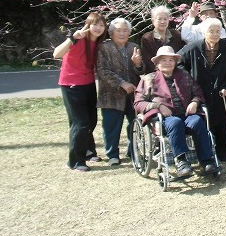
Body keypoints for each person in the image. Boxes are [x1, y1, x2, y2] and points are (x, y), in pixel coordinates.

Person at [134, 46, 217, 177]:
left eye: (171, 60)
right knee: (175, 123)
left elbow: (198, 92)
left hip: (186, 115)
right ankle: (182, 162)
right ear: (157, 63)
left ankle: (206, 161)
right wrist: (158, 105)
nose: (168, 63)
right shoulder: (148, 79)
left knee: (197, 121)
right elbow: (138, 103)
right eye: (163, 60)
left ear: (175, 62)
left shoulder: (184, 75)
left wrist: (195, 102)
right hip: (164, 119)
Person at [53, 12, 107, 172]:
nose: (98, 28)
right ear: (88, 25)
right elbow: (56, 54)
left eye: (102, 25)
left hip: (88, 83)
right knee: (80, 123)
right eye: (95, 24)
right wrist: (71, 38)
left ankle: (89, 152)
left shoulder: (98, 43)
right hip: (71, 85)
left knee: (90, 120)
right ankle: (75, 161)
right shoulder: (78, 38)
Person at [178, 18, 226, 162]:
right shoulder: (193, 47)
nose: (215, 34)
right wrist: (189, 81)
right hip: (200, 90)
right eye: (211, 31)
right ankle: (206, 151)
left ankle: (223, 151)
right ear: (204, 33)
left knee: (222, 122)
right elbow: (178, 63)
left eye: (218, 31)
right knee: (204, 121)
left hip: (222, 91)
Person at [96, 18, 144, 166]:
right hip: (111, 95)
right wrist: (122, 83)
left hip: (132, 95)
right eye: (118, 30)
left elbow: (142, 70)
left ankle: (133, 151)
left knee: (135, 124)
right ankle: (112, 155)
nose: (122, 33)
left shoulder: (134, 47)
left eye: (125, 30)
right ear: (111, 33)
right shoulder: (103, 48)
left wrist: (138, 64)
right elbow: (101, 70)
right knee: (111, 126)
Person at [140, 5, 185, 71]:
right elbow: (148, 61)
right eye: (159, 19)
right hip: (156, 74)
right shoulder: (147, 38)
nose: (163, 22)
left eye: (165, 19)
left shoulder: (176, 35)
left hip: (176, 72)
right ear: (153, 21)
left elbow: (181, 54)